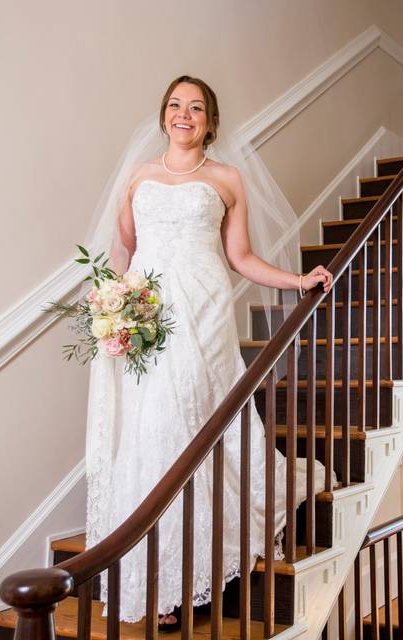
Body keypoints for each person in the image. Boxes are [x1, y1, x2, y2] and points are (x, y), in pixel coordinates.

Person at [83, 75, 332, 628]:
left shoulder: (226, 178)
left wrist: (296, 281)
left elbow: (240, 256)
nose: (184, 115)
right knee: (151, 433)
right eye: (175, 105)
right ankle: (155, 575)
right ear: (163, 115)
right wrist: (113, 308)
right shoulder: (139, 175)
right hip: (150, 318)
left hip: (204, 311)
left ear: (210, 123)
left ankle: (187, 574)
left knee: (193, 427)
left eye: (196, 108)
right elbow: (124, 246)